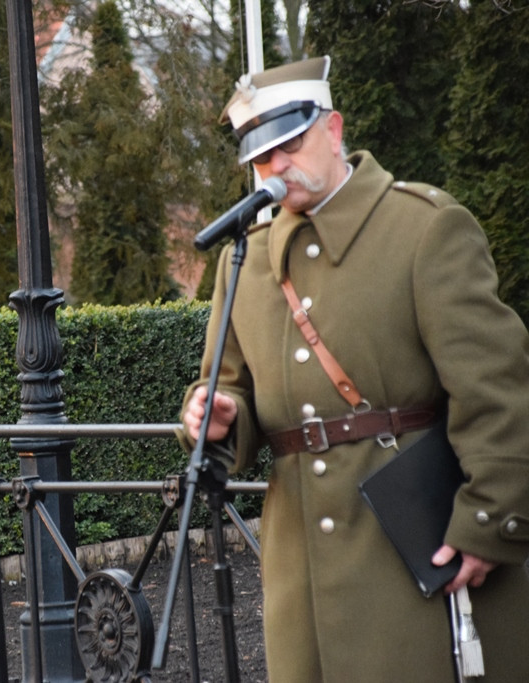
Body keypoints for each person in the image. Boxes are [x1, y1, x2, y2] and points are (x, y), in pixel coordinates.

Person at [181, 56, 529, 682]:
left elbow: (498, 391)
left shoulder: (424, 228)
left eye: (291, 144)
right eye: (263, 158)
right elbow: (224, 383)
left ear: (334, 130)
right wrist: (215, 414)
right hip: (299, 568)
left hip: (416, 548)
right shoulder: (248, 261)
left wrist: (489, 521)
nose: (278, 166)